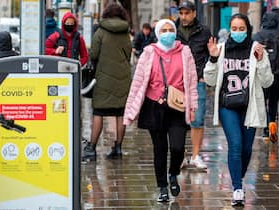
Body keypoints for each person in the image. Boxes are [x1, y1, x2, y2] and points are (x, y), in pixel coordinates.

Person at [123, 19, 198, 202]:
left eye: (170, 29)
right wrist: (130, 110)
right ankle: (162, 187)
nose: (167, 33)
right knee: (160, 149)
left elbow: (192, 80)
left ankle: (173, 173)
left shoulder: (185, 52)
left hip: (177, 106)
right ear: (158, 33)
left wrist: (193, 105)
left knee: (178, 147)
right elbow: (138, 82)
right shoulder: (149, 52)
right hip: (154, 106)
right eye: (163, 30)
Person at [204, 13, 274, 206]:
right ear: (229, 30)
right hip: (228, 106)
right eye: (233, 29)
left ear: (248, 29)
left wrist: (260, 61)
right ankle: (237, 188)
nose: (237, 32)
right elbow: (210, 80)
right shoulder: (221, 49)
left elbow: (268, 81)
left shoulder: (257, 50)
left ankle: (238, 176)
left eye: (241, 28)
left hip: (249, 106)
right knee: (235, 144)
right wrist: (212, 58)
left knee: (246, 148)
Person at [81, 3, 132, 161]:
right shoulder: (125, 32)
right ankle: (117, 148)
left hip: (103, 77)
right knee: (120, 113)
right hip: (123, 77)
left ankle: (92, 148)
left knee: (99, 112)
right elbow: (129, 53)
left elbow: (94, 54)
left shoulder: (101, 31)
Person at [175, 0, 211, 169]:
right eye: (181, 13)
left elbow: (210, 55)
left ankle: (196, 155)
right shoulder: (172, 30)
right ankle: (179, 156)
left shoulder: (204, 31)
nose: (183, 16)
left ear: (194, 13)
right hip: (177, 82)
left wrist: (203, 75)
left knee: (197, 120)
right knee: (178, 121)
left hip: (197, 81)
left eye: (187, 13)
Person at [253, 12, 279, 142]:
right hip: (277, 75)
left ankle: (265, 130)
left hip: (262, 76)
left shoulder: (257, 36)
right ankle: (272, 125)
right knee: (273, 103)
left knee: (262, 101)